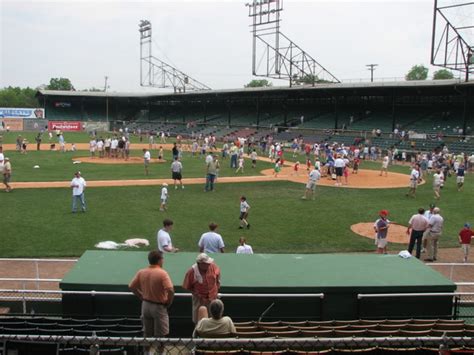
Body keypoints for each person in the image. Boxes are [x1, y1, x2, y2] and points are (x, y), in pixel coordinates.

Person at [128, 251, 174, 346]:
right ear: (159, 260)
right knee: (161, 335)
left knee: (147, 333)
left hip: (145, 306)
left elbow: (131, 286)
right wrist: (169, 302)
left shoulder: (142, 272)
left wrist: (141, 296)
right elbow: (170, 290)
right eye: (162, 259)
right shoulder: (162, 273)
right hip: (158, 307)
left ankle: (147, 352)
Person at [182, 253, 221, 323]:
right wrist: (198, 295)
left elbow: (218, 278)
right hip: (199, 300)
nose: (209, 264)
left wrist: (216, 291)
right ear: (200, 263)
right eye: (207, 263)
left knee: (214, 320)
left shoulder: (213, 266)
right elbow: (186, 286)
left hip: (213, 299)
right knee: (199, 321)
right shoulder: (192, 272)